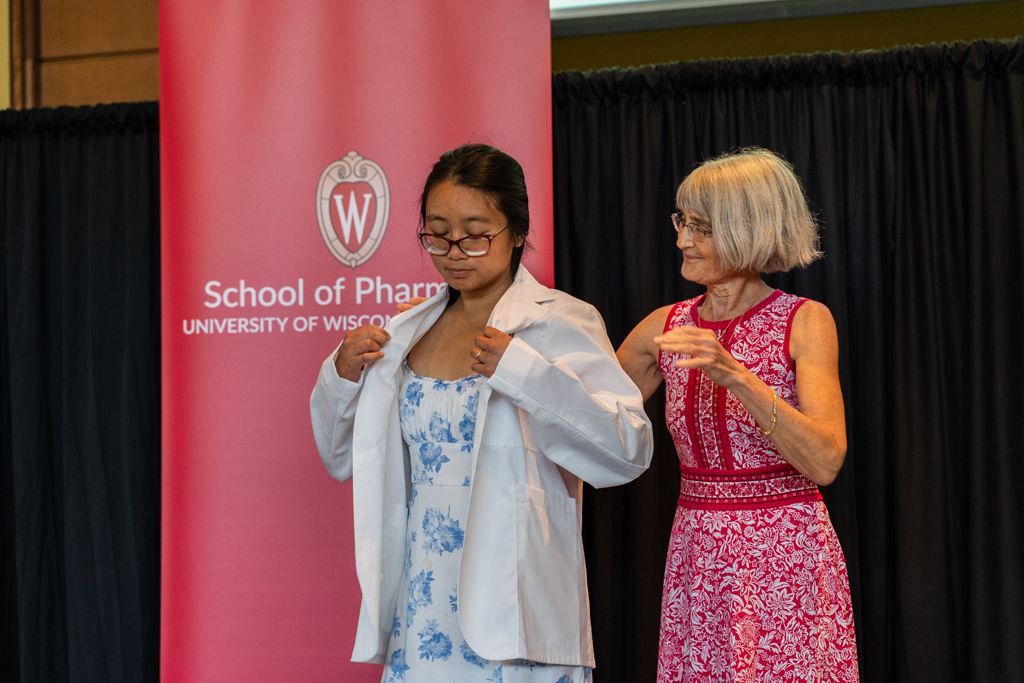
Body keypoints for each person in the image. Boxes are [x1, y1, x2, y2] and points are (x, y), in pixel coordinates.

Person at [310, 143, 653, 683]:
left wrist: (522, 371)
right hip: (422, 604)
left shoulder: (559, 320)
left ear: (516, 232)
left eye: (474, 232)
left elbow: (627, 451)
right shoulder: (405, 332)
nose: (453, 249)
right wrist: (341, 375)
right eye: (437, 232)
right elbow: (338, 457)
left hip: (518, 607)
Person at [616, 148, 858, 682]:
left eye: (699, 227)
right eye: (682, 222)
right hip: (698, 557)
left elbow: (825, 461)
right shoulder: (665, 326)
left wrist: (739, 377)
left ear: (747, 230)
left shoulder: (805, 321)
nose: (681, 239)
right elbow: (586, 418)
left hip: (787, 556)